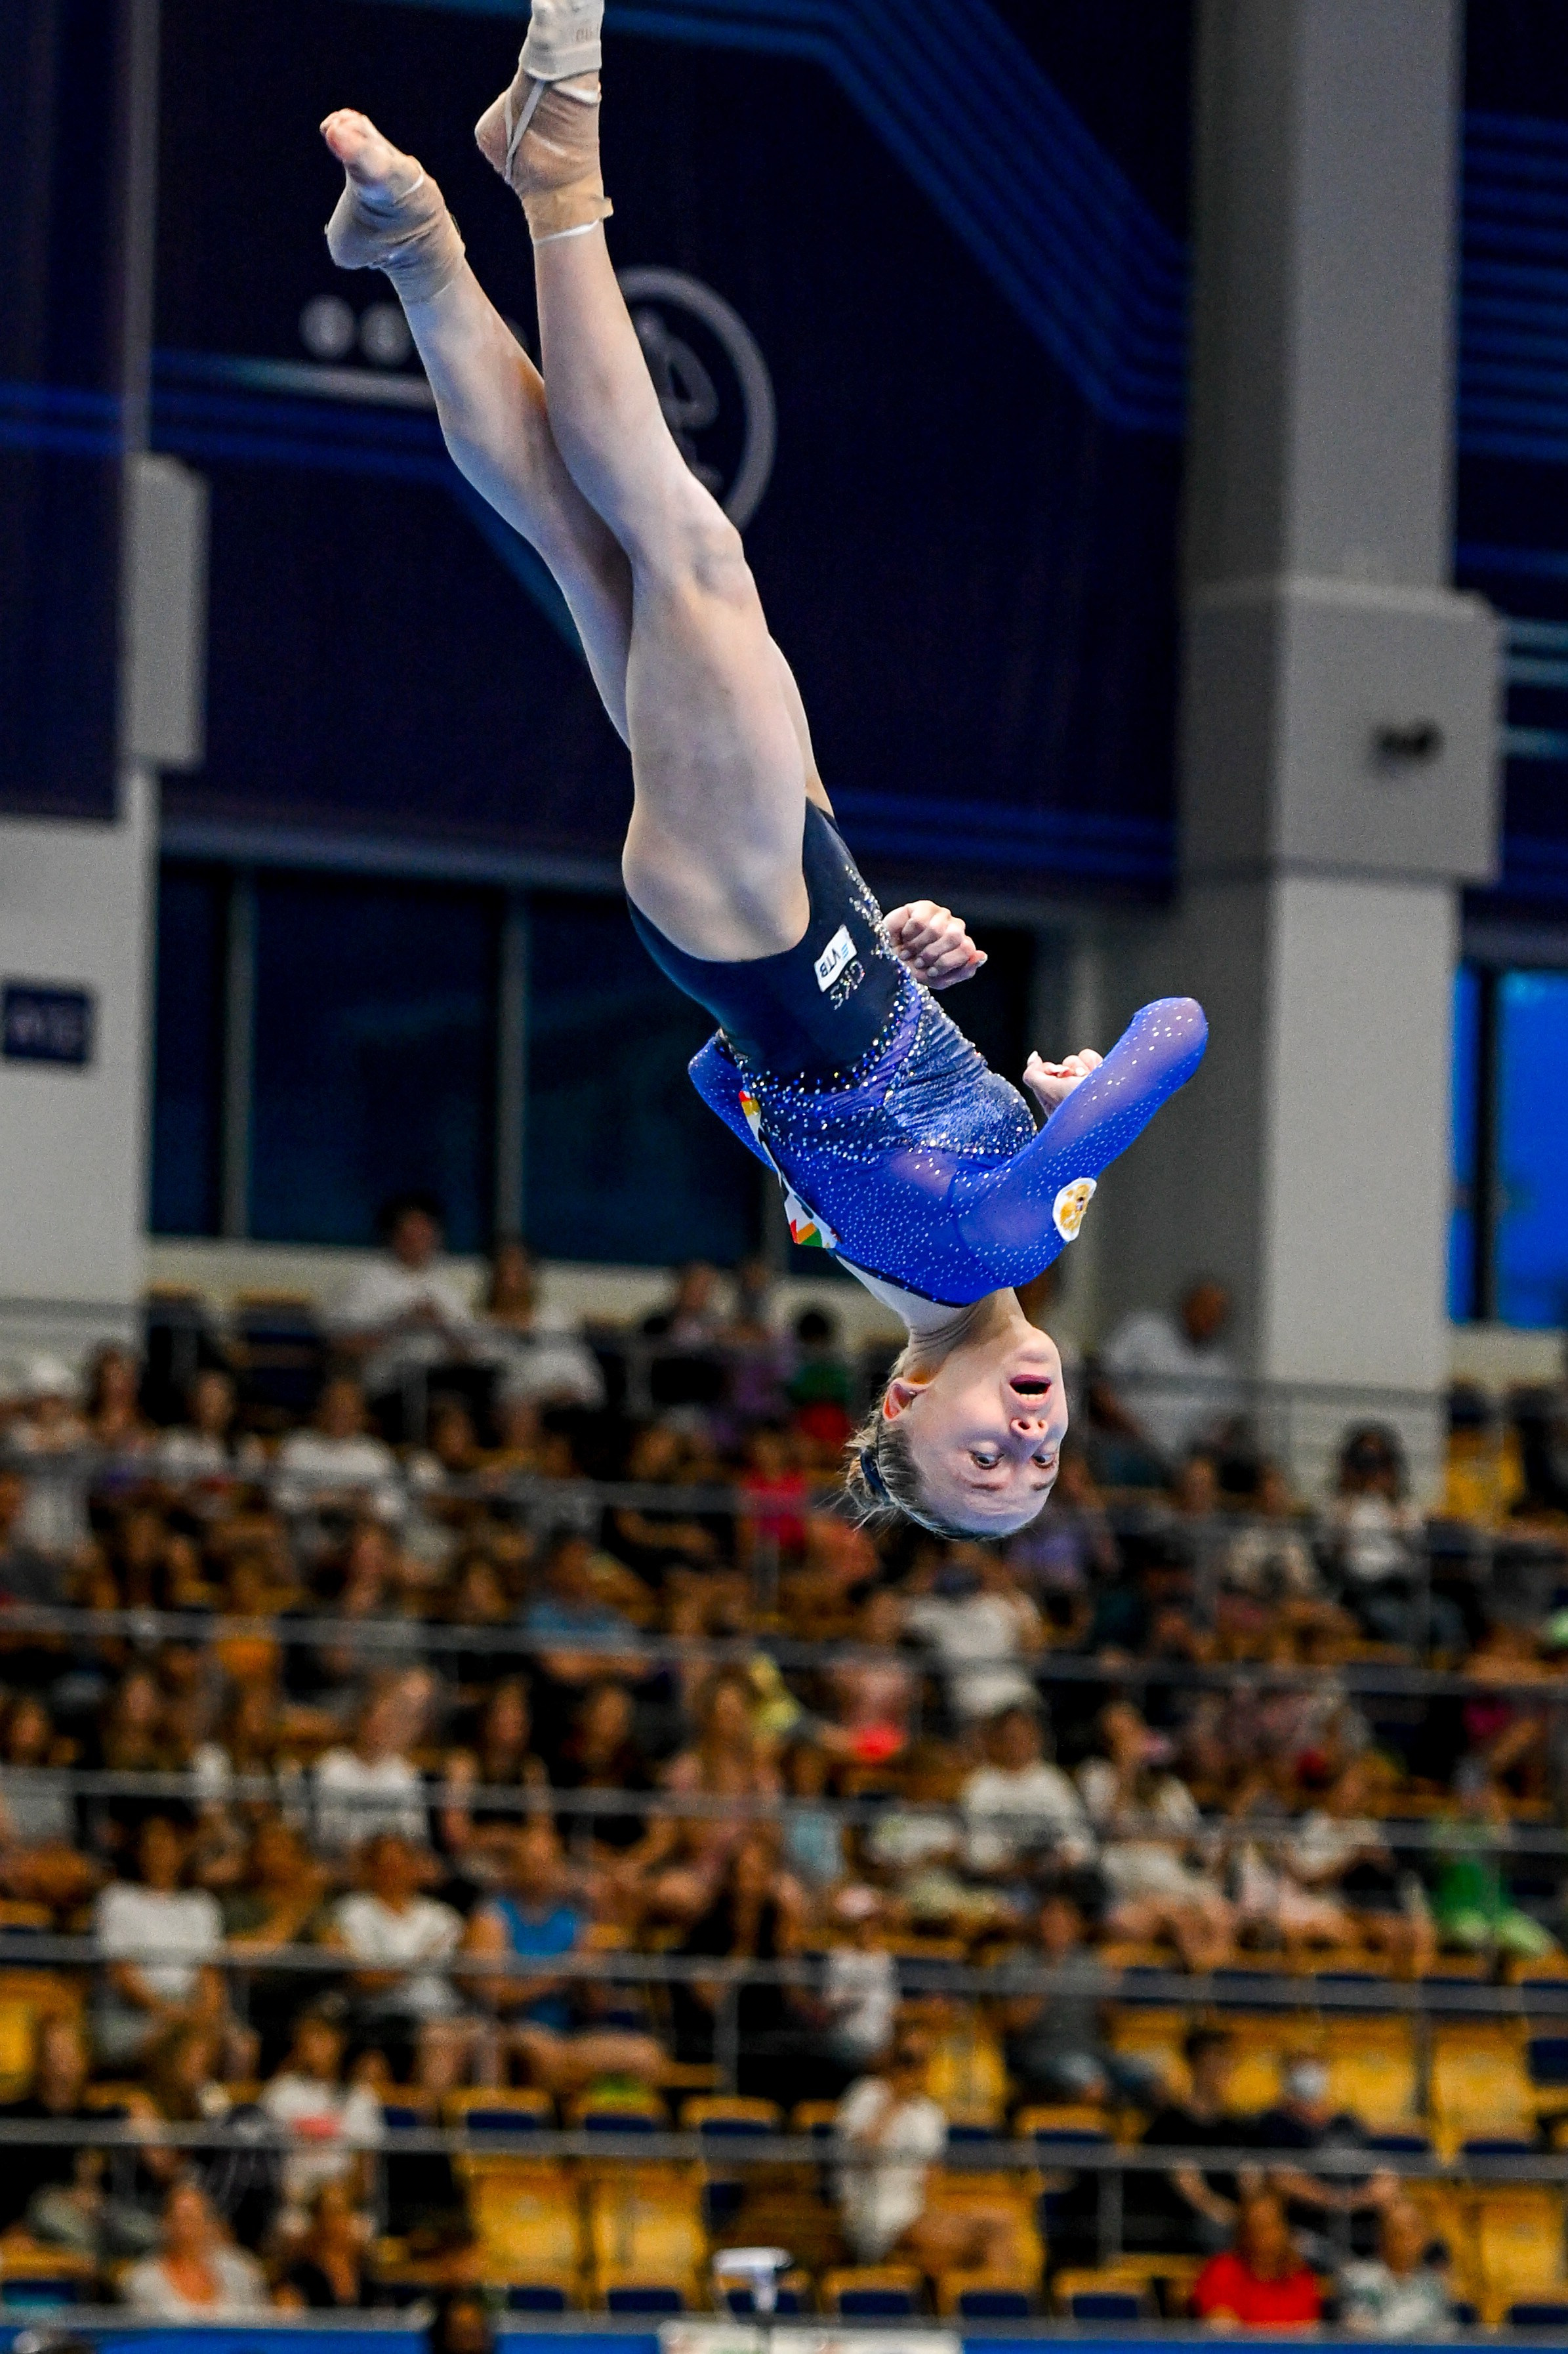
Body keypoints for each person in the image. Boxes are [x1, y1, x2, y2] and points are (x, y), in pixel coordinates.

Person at [317, 22, 1205, 1541]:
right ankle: (407, 244)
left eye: (982, 1462)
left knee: (682, 543)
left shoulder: (1003, 1231)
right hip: (777, 921)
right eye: (1039, 1468)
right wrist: (875, 987)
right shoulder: (931, 1258)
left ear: (903, 1410)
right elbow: (720, 1076)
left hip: (770, 913)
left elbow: (1174, 1029)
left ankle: (556, 167)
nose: (1031, 1441)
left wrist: (1064, 1104)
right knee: (587, 544)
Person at [835, 2027, 1016, 2271]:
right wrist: (893, 2101)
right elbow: (863, 2157)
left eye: (920, 2061)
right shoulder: (866, 2095)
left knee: (999, 2226)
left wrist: (940, 2219)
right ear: (891, 2056)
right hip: (874, 2220)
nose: (911, 2069)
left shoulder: (928, 2113)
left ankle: (992, 2305)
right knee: (982, 2242)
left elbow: (932, 2180)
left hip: (914, 2216)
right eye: (906, 2058)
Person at [1001, 1889, 1162, 2107]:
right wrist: (1047, 1978)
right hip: (1042, 2057)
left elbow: (1110, 2023)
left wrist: (1110, 1997)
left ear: (1076, 1925)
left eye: (1063, 1920)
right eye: (1050, 1920)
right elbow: (1013, 2023)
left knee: (1152, 2079)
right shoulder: (1020, 1962)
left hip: (1094, 2053)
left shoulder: (1091, 1964)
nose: (1056, 1927)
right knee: (1090, 2083)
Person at [1251, 2053, 1397, 2267]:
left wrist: (1360, 2197)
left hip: (1362, 2222)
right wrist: (1339, 2200)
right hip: (1305, 2225)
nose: (1310, 2073)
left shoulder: (1346, 2121)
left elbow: (1384, 2173)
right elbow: (1280, 2177)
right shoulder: (1273, 2123)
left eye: (1316, 2063)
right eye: (1301, 2063)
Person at [1126, 2029, 1251, 2258]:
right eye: (1213, 2060)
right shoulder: (1168, 2127)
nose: (1221, 2069)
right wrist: (1242, 2220)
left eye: (1226, 2059)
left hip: (1236, 2223)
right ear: (1194, 2064)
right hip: (1183, 2228)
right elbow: (1194, 2193)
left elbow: (1250, 2185)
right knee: (1216, 2232)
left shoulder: (1238, 2129)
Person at [333, 1192, 474, 1392]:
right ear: (394, 1234)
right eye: (411, 1230)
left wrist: (440, 1325)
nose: (419, 1237)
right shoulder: (368, 1280)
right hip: (386, 1387)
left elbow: (470, 1353)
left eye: (425, 1229)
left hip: (440, 1385)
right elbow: (341, 1344)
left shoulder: (448, 1288)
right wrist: (399, 1325)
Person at [1097, 1280, 1241, 1473]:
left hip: (1182, 1461)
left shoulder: (1221, 1367)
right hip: (1125, 1443)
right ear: (1187, 1305)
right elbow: (1100, 1383)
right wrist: (1129, 1428)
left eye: (1217, 1311)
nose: (1209, 1316)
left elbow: (1223, 1427)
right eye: (1204, 1307)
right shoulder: (1145, 1331)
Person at [261, 2012, 384, 2223]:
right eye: (306, 2037)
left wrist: (332, 2198)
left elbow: (365, 2174)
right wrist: (305, 2198)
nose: (312, 2045)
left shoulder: (361, 2098)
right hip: (291, 2209)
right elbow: (265, 2167)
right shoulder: (279, 2094)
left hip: (343, 2206)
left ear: (339, 2042)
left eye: (320, 2037)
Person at [474, 1237, 605, 1408]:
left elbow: (587, 1376)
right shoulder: (479, 1326)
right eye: (504, 1273)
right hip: (518, 1408)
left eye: (519, 1272)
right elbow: (498, 1385)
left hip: (571, 1407)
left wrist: (574, 1394)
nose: (510, 1282)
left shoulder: (557, 1320)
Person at [120, 2178, 270, 2317]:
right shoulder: (142, 2281)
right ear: (165, 2224)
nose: (188, 2228)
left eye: (196, 2219)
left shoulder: (241, 2270)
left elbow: (262, 2326)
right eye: (182, 2219)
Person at [274, 1376, 403, 1527]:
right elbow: (281, 1497)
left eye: (348, 1411)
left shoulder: (375, 1455)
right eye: (334, 1408)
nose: (340, 1416)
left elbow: (395, 1507)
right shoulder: (297, 1447)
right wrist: (315, 1501)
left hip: (359, 1530)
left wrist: (363, 1505)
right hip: (306, 1528)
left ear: (361, 1416)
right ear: (321, 1410)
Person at [1192, 2190, 1322, 2329]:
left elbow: (1309, 2334)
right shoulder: (1222, 2271)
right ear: (1243, 2232)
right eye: (1256, 2228)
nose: (1263, 2237)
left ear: (1284, 2230)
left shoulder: (1299, 2276)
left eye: (1270, 2227)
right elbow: (1222, 2332)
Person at [1338, 2197, 1456, 2339]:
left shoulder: (1435, 2285)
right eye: (1399, 2233)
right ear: (1382, 2237)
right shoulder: (1359, 2278)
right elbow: (1358, 2329)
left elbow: (1445, 2333)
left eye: (1415, 2231)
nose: (1408, 2241)